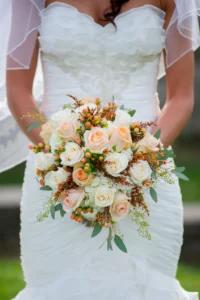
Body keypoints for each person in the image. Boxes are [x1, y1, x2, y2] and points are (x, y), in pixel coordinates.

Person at [0, 0, 199, 299]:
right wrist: (63, 163)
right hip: (55, 178)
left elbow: (181, 97)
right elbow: (18, 91)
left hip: (145, 175)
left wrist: (138, 158)